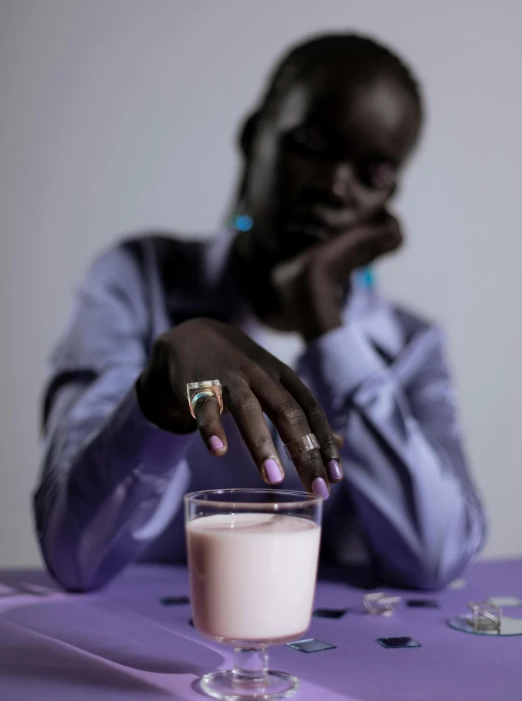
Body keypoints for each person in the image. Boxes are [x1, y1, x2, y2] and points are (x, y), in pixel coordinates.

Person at [34, 33, 486, 593]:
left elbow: (437, 557)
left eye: (373, 174)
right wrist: (158, 399)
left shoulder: (413, 343)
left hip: (328, 665)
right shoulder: (138, 278)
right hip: (147, 652)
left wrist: (325, 319)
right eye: (312, 142)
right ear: (254, 139)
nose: (334, 188)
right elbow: (74, 555)